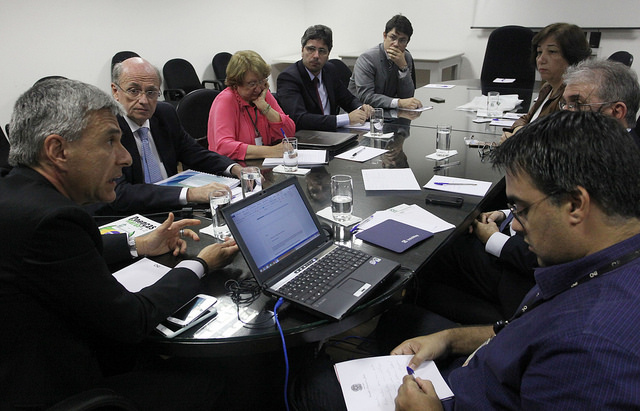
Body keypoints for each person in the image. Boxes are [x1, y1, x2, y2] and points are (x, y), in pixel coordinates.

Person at [291, 111, 640, 410]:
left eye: (521, 208)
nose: (514, 224)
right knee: (399, 320)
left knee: (308, 382)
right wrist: (451, 339)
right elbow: (519, 331)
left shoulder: (593, 353)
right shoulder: (601, 263)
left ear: (575, 205)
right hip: (481, 368)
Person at [0, 78, 239, 409]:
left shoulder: (18, 194)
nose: (125, 158)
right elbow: (132, 320)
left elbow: (65, 256)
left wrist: (138, 245)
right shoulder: (53, 220)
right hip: (60, 389)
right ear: (58, 151)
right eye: (110, 142)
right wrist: (200, 263)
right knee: (219, 376)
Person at [102, 57, 243, 215]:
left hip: (174, 208)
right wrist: (190, 194)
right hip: (133, 215)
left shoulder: (164, 114)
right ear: (115, 91)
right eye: (134, 91)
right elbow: (120, 193)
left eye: (151, 92)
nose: (143, 100)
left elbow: (194, 153)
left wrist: (234, 168)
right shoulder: (107, 130)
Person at [501, 22, 591, 142]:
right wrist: (519, 132)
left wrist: (519, 137)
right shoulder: (548, 87)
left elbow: (555, 139)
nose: (541, 60)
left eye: (552, 51)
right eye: (539, 52)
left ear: (572, 55)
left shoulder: (572, 97)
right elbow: (526, 118)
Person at [277, 24, 374, 131]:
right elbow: (299, 118)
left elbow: (348, 100)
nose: (316, 56)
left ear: (328, 54)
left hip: (334, 135)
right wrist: (346, 118)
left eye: (322, 51)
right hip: (308, 139)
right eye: (311, 49)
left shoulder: (330, 70)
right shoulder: (289, 78)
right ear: (302, 50)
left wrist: (361, 108)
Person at [208, 50, 295, 160]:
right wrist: (270, 151)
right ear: (236, 83)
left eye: (261, 81)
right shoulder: (226, 100)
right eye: (252, 84)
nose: (258, 88)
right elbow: (224, 147)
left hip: (261, 164)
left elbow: (288, 134)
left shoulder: (262, 95)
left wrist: (265, 108)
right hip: (233, 168)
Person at [348, 14, 423, 110]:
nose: (396, 44)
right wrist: (398, 103)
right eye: (393, 37)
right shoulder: (367, 59)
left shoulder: (406, 58)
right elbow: (366, 97)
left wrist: (403, 68)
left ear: (407, 42)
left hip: (387, 113)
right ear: (384, 36)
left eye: (402, 40)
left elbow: (408, 97)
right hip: (360, 114)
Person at [561, 58, 640, 146]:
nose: (565, 112)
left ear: (617, 111)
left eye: (577, 104)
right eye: (565, 104)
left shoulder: (628, 157)